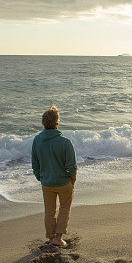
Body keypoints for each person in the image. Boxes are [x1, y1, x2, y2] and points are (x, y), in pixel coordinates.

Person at [31, 104, 77, 247]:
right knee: (64, 208)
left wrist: (41, 177)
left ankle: (51, 237)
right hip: (63, 182)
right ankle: (58, 237)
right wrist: (72, 180)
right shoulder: (65, 142)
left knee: (49, 211)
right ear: (57, 123)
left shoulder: (37, 141)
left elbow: (35, 164)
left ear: (43, 123)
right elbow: (72, 167)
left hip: (47, 182)